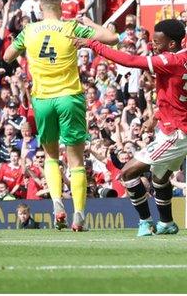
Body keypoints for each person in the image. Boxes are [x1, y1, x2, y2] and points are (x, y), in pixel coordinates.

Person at [3, 0, 118, 231]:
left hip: (43, 100)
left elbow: (7, 55)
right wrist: (89, 22)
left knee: (52, 156)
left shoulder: (29, 30)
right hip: (69, 97)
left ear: (40, 7)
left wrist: (25, 49)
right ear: (60, 5)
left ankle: (56, 204)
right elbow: (111, 38)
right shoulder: (70, 27)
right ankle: (78, 215)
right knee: (76, 160)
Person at [73, 19, 187, 236]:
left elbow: (130, 60)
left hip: (176, 133)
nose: (153, 45)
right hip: (173, 126)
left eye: (157, 42)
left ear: (172, 44)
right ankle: (167, 223)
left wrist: (93, 44)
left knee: (128, 172)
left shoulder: (171, 60)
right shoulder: (181, 57)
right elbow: (175, 96)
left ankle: (145, 222)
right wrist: (156, 116)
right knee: (160, 177)